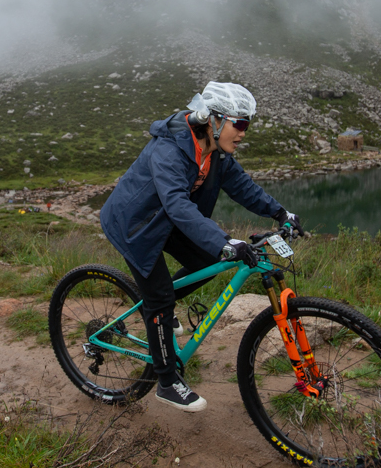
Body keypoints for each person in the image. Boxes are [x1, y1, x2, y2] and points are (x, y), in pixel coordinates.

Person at [100, 81, 302, 412]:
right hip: (134, 225)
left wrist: (280, 212)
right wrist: (225, 240)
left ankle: (158, 312)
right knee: (161, 294)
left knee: (210, 260)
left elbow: (243, 187)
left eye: (246, 125)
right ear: (214, 120)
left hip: (165, 219)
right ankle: (166, 380)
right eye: (240, 124)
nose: (243, 133)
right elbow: (177, 204)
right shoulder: (170, 149)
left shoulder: (216, 153)